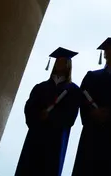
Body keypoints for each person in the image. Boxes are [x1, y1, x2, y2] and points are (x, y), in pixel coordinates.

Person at [72, 37, 111, 176]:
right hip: (92, 129)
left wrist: (110, 113)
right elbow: (82, 99)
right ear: (104, 54)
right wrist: (92, 113)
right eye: (108, 50)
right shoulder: (91, 76)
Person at [15, 47, 81, 176]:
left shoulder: (73, 90)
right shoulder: (41, 87)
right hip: (36, 135)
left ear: (69, 65)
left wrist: (51, 117)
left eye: (64, 61)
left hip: (56, 139)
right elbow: (29, 107)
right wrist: (39, 115)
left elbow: (71, 116)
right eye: (58, 61)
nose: (60, 63)